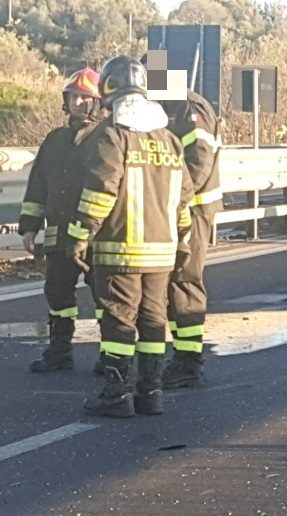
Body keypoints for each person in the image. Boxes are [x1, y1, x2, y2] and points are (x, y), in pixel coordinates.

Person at [66, 55, 193, 417]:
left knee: (119, 321)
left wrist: (78, 237)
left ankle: (115, 394)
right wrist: (182, 239)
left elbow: (99, 193)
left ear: (108, 90)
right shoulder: (169, 139)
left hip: (119, 252)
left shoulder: (113, 135)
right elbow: (183, 199)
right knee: (153, 321)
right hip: (162, 254)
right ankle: (150, 393)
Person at [17, 67, 104, 372]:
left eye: (85, 97)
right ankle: (59, 351)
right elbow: (38, 184)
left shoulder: (108, 138)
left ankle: (111, 357)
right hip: (58, 233)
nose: (78, 102)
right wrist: (29, 227)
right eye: (74, 96)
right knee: (57, 292)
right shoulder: (54, 140)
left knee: (104, 296)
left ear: (97, 102)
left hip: (96, 235)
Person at [157, 89, 222, 389]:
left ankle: (189, 362)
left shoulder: (190, 108)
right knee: (172, 283)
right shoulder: (167, 106)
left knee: (184, 281)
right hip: (177, 208)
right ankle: (182, 356)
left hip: (193, 210)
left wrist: (175, 200)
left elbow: (197, 163)